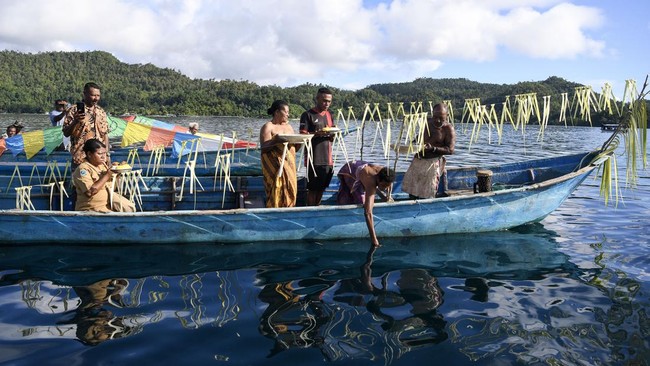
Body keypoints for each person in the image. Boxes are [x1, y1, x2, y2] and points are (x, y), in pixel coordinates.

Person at [401, 103, 456, 199]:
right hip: (419, 160)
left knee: (428, 192)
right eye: (435, 117)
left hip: (433, 162)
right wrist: (412, 144)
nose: (437, 120)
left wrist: (433, 148)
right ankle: (411, 206)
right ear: (432, 114)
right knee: (412, 190)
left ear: (447, 116)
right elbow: (419, 138)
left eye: (441, 118)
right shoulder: (427, 122)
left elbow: (450, 150)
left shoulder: (448, 129)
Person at [337, 161, 395, 247]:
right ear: (378, 180)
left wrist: (386, 196)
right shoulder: (370, 181)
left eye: (387, 186)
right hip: (349, 171)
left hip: (362, 171)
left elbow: (387, 185)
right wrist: (374, 240)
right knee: (360, 201)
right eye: (383, 185)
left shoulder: (387, 175)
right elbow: (367, 212)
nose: (385, 188)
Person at [72, 138, 135, 212]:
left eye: (104, 153)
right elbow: (90, 192)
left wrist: (117, 174)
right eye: (99, 154)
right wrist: (107, 175)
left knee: (129, 209)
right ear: (89, 154)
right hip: (91, 209)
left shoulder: (102, 166)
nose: (103, 157)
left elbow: (112, 188)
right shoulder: (83, 169)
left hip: (107, 207)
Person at [299, 87, 336, 206]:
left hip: (328, 158)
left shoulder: (329, 115)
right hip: (313, 158)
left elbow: (332, 135)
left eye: (329, 101)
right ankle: (310, 211)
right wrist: (317, 134)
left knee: (322, 188)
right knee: (313, 189)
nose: (327, 104)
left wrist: (333, 135)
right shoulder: (307, 115)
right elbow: (302, 136)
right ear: (317, 99)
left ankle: (318, 208)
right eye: (324, 100)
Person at [62, 82, 110, 172]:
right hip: (81, 157)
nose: (96, 98)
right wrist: (75, 121)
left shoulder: (101, 112)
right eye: (93, 95)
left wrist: (107, 155)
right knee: (81, 184)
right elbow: (66, 133)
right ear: (85, 94)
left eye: (98, 96)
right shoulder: (74, 110)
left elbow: (105, 135)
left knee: (100, 184)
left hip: (99, 158)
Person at [260, 100, 298, 208]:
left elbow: (294, 148)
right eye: (286, 112)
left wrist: (303, 140)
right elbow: (264, 148)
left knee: (290, 189)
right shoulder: (268, 126)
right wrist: (276, 140)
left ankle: (290, 210)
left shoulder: (289, 127)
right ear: (277, 112)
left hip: (289, 166)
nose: (288, 114)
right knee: (276, 189)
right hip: (275, 167)